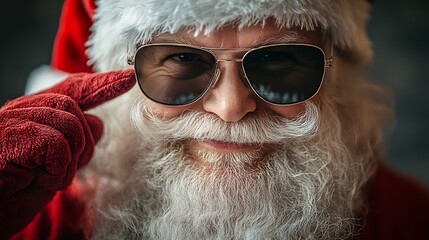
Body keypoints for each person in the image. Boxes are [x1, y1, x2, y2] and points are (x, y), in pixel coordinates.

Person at [1, 0, 428, 239]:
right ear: (114, 79)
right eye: (182, 59)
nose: (230, 107)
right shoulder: (32, 220)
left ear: (336, 73)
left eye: (278, 59)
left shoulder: (411, 221)